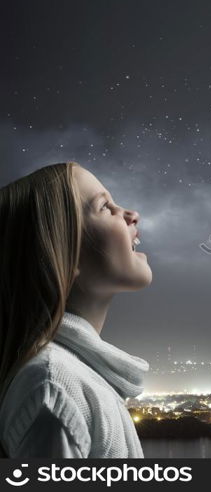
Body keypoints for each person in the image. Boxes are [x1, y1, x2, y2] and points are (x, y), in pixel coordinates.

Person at [0, 162, 152, 458]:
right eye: (106, 207)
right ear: (63, 251)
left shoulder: (70, 379)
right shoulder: (53, 385)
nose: (132, 215)